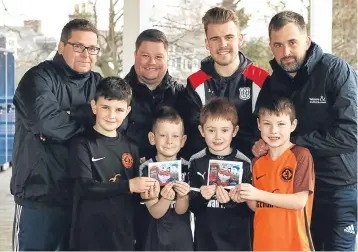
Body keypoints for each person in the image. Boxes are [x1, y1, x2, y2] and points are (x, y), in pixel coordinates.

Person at [253, 11, 357, 251]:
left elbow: (351, 135)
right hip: (291, 191)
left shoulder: (336, 71)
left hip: (336, 189)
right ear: (271, 46)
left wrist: (295, 142)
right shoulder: (273, 84)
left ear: (307, 41)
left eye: (292, 42)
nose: (286, 52)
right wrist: (260, 144)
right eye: (278, 45)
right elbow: (262, 129)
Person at [11, 19, 102, 251]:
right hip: (39, 197)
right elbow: (47, 124)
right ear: (61, 47)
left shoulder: (99, 84)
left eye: (92, 48)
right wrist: (88, 123)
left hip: (80, 198)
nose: (86, 54)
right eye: (79, 46)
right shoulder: (37, 79)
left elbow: (115, 124)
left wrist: (69, 116)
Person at [68, 77, 157, 250]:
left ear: (127, 111)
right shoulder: (81, 143)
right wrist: (129, 185)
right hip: (89, 237)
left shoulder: (131, 147)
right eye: (105, 107)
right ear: (94, 106)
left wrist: (150, 192)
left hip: (122, 237)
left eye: (119, 109)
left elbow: (136, 196)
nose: (111, 115)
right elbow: (84, 187)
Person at [181, 6, 269, 160]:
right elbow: (194, 138)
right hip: (207, 174)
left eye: (229, 37)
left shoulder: (262, 79)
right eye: (215, 38)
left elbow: (270, 131)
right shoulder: (195, 83)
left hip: (252, 170)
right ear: (207, 43)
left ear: (240, 39)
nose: (222, 44)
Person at [231, 97, 314, 251]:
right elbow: (258, 206)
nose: (274, 131)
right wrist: (244, 196)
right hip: (264, 244)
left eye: (281, 124)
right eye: (267, 124)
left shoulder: (301, 155)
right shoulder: (256, 163)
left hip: (294, 245)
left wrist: (256, 193)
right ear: (259, 125)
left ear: (293, 125)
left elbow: (298, 202)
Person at [188, 98, 253, 251]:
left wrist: (233, 201)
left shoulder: (245, 162)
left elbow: (250, 209)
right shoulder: (195, 161)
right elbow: (192, 207)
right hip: (206, 241)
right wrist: (202, 197)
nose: (218, 137)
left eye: (224, 130)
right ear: (201, 131)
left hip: (238, 242)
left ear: (234, 131)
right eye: (211, 130)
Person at [137, 106, 193, 251]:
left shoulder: (188, 167)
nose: (169, 141)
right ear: (152, 138)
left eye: (175, 136)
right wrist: (166, 199)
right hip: (153, 237)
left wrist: (182, 197)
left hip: (181, 236)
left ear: (183, 140)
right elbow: (155, 213)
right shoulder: (145, 168)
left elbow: (181, 210)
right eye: (163, 135)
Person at [124, 29, 185, 161]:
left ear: (167, 58)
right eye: (145, 55)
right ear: (135, 55)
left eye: (158, 57)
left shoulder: (182, 95)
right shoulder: (119, 95)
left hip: (173, 178)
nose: (152, 62)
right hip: (128, 176)